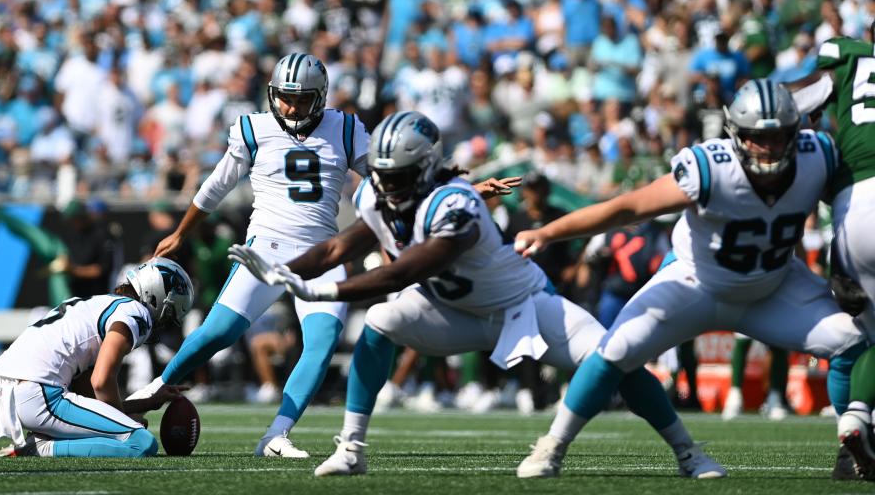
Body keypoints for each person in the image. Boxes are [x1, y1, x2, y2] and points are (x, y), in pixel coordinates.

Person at [229, 111, 724, 479]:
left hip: (520, 307)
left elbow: (403, 272)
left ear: (425, 168)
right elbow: (338, 245)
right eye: (381, 173)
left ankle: (687, 451)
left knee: (615, 358)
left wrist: (318, 289)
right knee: (381, 323)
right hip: (448, 310)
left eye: (398, 176)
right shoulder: (382, 194)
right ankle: (351, 448)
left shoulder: (457, 204)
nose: (387, 185)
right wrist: (280, 271)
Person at [129, 53, 517, 458]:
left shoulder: (344, 127)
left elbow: (395, 175)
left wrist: (462, 187)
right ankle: (157, 389)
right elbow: (215, 185)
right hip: (266, 248)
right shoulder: (254, 128)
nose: (292, 107)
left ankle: (276, 434)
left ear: (321, 96)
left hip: (323, 253)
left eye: (302, 99)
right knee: (219, 332)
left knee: (322, 340)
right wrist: (180, 232)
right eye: (284, 98)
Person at [513, 79, 866, 478]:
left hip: (772, 286)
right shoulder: (710, 167)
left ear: (794, 132)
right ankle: (552, 447)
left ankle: (853, 450)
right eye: (756, 138)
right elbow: (628, 207)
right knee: (615, 350)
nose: (768, 148)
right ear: (737, 135)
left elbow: (851, 213)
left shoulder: (817, 155)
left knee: (851, 339)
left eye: (778, 136)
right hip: (695, 283)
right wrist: (548, 232)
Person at [0, 258, 194, 457]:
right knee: (141, 443)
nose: (164, 322)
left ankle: (45, 439)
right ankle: (40, 448)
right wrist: (124, 420)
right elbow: (101, 381)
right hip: (38, 392)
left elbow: (89, 398)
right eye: (168, 313)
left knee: (124, 431)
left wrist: (145, 403)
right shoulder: (136, 313)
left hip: (9, 388)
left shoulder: (99, 304)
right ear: (154, 296)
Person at [792, 35, 875, 478]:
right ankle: (859, 420)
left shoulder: (849, 60)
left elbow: (789, 100)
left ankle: (854, 428)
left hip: (850, 214)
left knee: (864, 337)